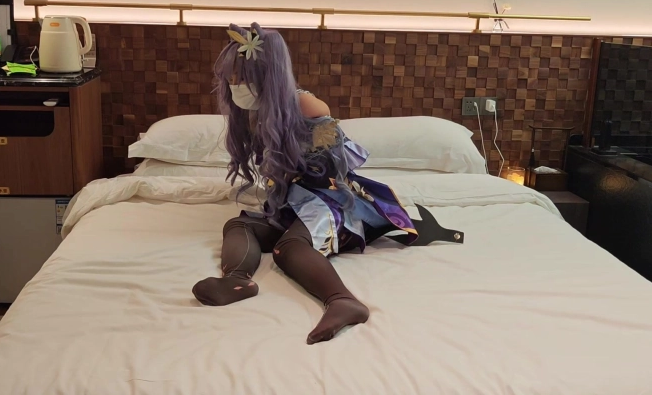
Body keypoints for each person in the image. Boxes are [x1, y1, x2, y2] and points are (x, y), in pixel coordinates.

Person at [192, 23, 462, 344]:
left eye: (242, 77)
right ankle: (237, 280)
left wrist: (290, 166)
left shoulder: (307, 106)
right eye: (231, 78)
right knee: (239, 225)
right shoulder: (257, 112)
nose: (235, 85)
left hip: (331, 199)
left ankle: (343, 301)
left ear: (268, 74)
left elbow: (333, 168)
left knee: (288, 248)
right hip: (294, 201)